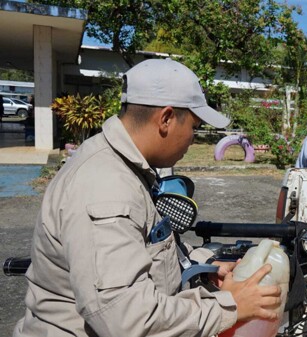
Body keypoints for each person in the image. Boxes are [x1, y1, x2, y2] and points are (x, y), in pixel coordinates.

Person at [13, 59, 281, 337]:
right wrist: (229, 306)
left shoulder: (127, 166)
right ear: (165, 119)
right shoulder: (105, 187)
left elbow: (145, 245)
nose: (193, 137)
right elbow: (125, 318)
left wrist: (205, 265)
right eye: (194, 125)